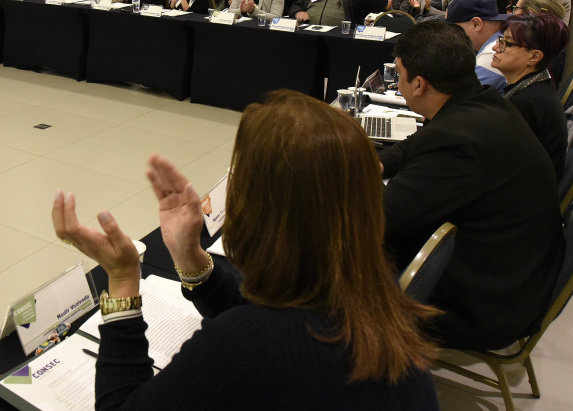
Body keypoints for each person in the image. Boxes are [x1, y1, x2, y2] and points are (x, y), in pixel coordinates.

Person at [52, 92, 441, 409]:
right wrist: (190, 257)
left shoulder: (247, 345)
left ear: (260, 207)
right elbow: (271, 316)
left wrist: (121, 281)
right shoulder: (372, 289)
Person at [381, 21, 565, 351]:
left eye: (399, 73)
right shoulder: (480, 102)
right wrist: (374, 162)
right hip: (508, 277)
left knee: (331, 249)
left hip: (479, 306)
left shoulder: (457, 142)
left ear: (419, 84)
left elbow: (382, 216)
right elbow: (417, 144)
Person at [492, 13, 569, 176]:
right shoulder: (537, 86)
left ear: (534, 57)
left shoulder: (527, 104)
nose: (495, 47)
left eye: (506, 43)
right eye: (501, 40)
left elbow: (500, 165)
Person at [446, 0, 509, 94]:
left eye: (455, 30)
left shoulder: (493, 52)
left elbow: (460, 97)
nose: (453, 36)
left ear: (476, 24)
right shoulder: (501, 36)